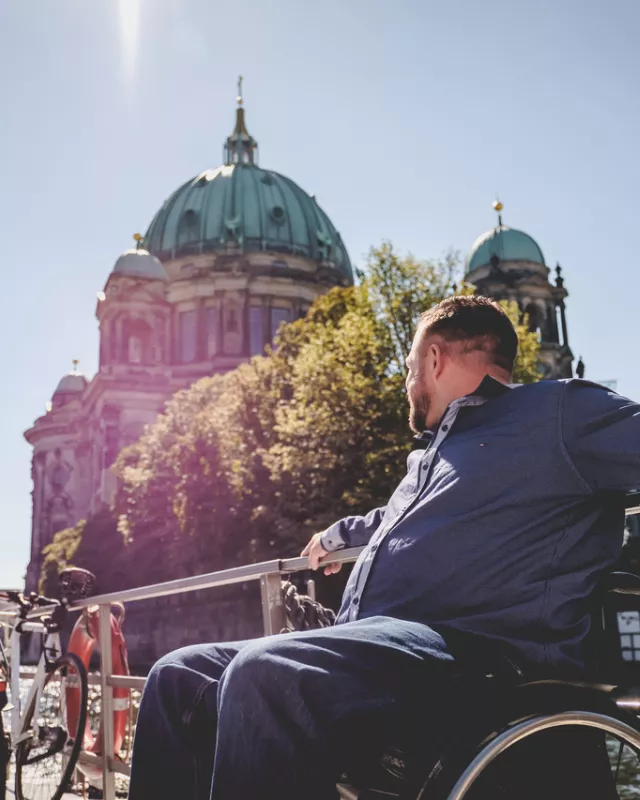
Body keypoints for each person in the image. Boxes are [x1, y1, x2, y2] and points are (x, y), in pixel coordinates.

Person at [128, 295, 640, 799]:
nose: (405, 382)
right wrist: (338, 535)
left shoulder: (558, 411)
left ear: (435, 359)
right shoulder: (434, 455)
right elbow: (398, 521)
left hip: (478, 654)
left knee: (267, 674)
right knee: (177, 675)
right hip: (386, 644)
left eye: (411, 366)